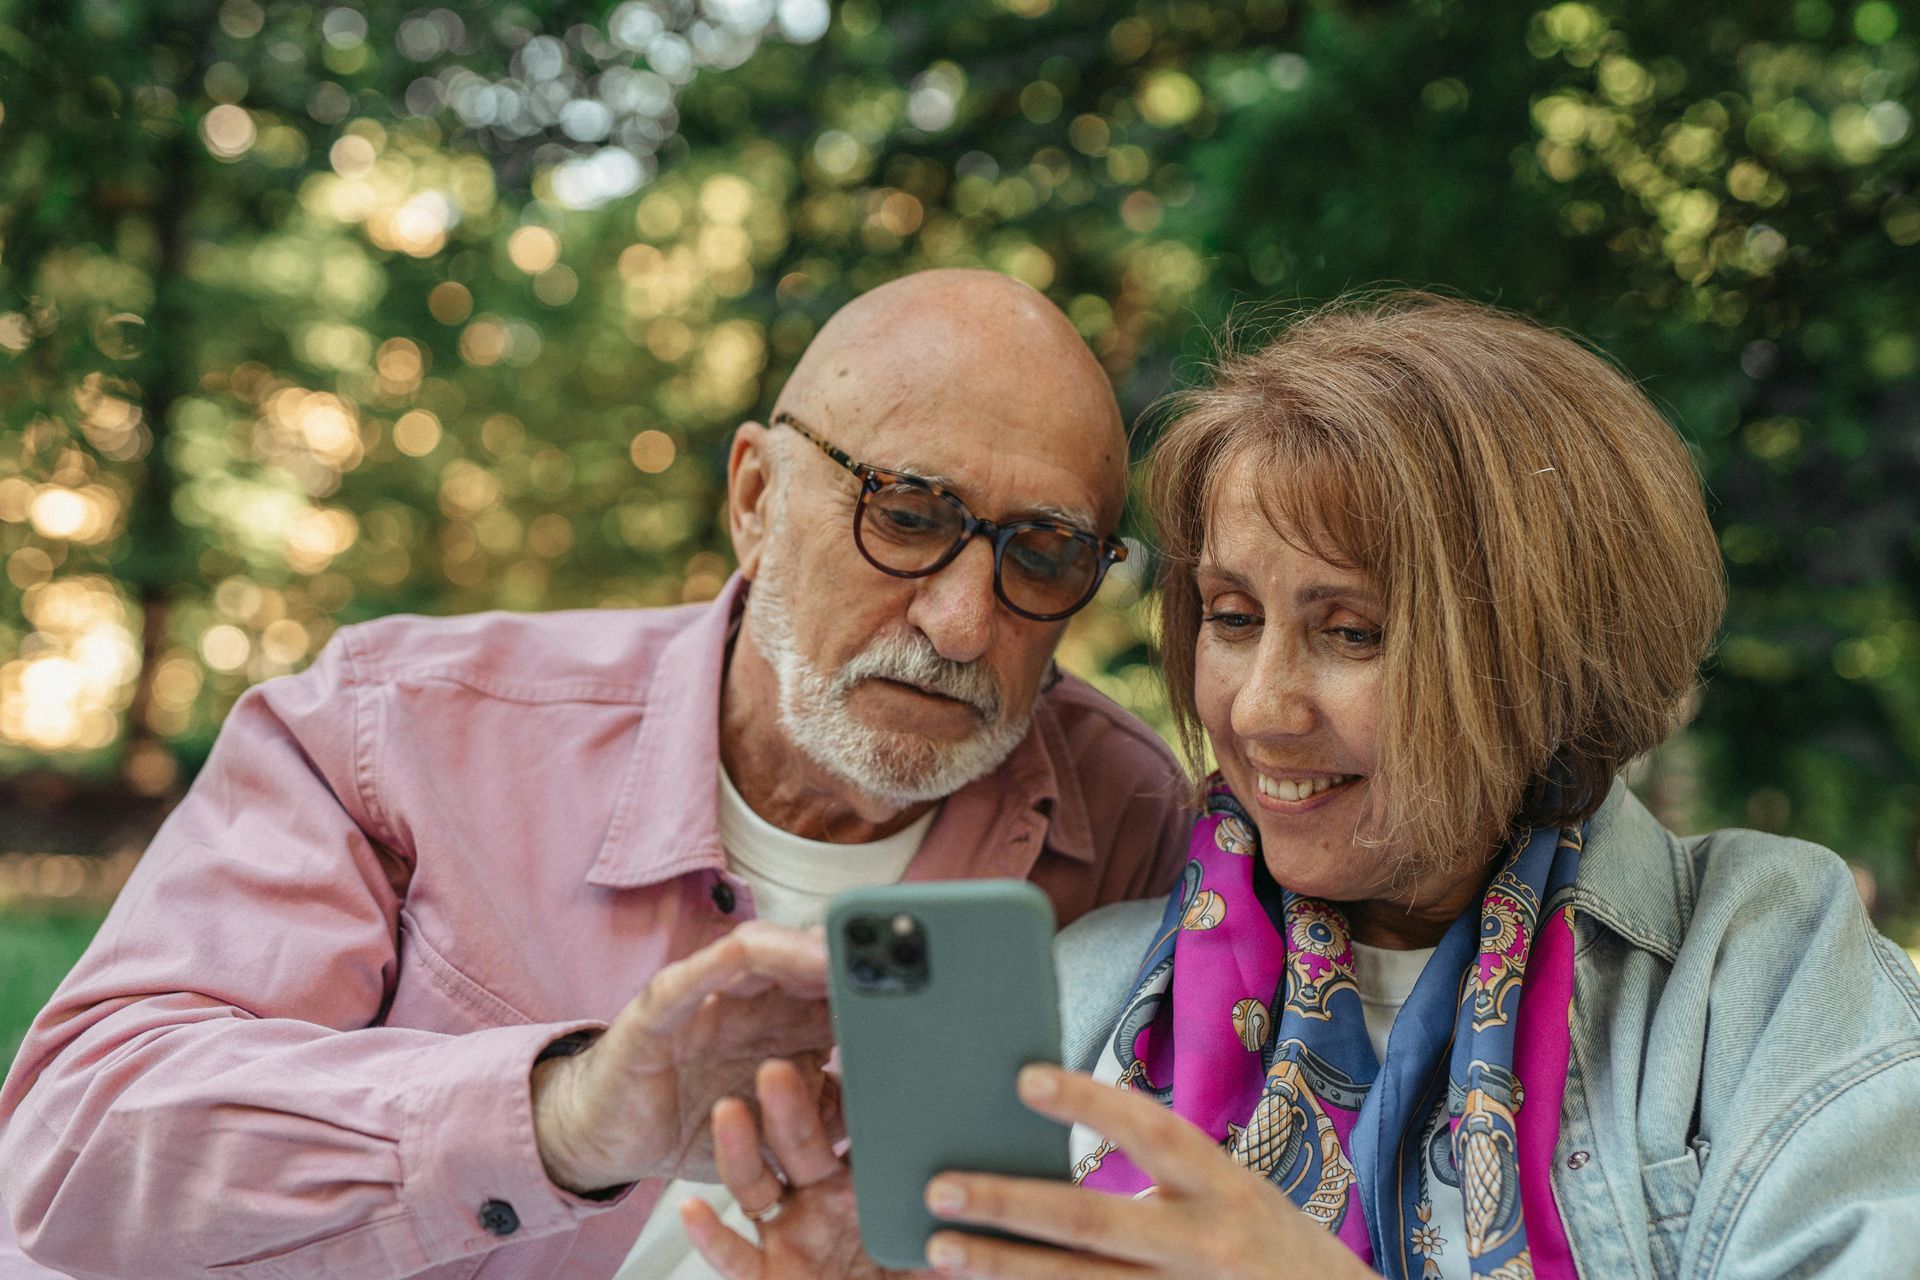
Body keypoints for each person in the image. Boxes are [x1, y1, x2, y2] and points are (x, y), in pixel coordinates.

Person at [685, 294, 1920, 1280]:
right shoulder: (1088, 988)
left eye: (1354, 632)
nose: (1260, 705)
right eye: (1231, 615)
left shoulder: (1758, 968)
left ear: (1551, 659)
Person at [0, 269, 1193, 1279]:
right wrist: (564, 1114)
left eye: (1045, 554)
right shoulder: (404, 725)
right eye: (908, 512)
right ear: (756, 498)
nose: (963, 622)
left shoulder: (1136, 821)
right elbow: (66, 1143)